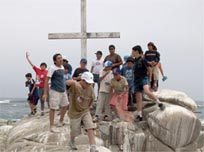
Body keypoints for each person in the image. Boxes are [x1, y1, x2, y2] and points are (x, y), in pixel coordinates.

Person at [66, 72, 98, 152]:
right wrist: (75, 82)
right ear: (83, 80)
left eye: (90, 83)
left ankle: (93, 147)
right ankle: (72, 141)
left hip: (85, 111)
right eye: (87, 83)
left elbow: (92, 98)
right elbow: (67, 83)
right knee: (74, 131)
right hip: (74, 112)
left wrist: (88, 107)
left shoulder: (90, 88)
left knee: (90, 126)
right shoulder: (75, 86)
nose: (88, 85)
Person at [132, 45, 165, 122]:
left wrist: (149, 80)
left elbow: (149, 69)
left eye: (133, 51)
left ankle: (159, 103)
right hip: (136, 80)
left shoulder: (143, 60)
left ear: (136, 51)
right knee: (138, 98)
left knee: (147, 91)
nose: (132, 53)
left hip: (143, 78)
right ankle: (140, 115)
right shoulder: (135, 60)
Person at [43, 53, 69, 132]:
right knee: (53, 108)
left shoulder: (62, 67)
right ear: (55, 61)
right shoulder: (52, 68)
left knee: (66, 105)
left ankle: (61, 121)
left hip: (63, 90)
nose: (61, 59)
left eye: (61, 58)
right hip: (55, 91)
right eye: (58, 58)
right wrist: (45, 93)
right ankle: (51, 126)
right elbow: (46, 80)